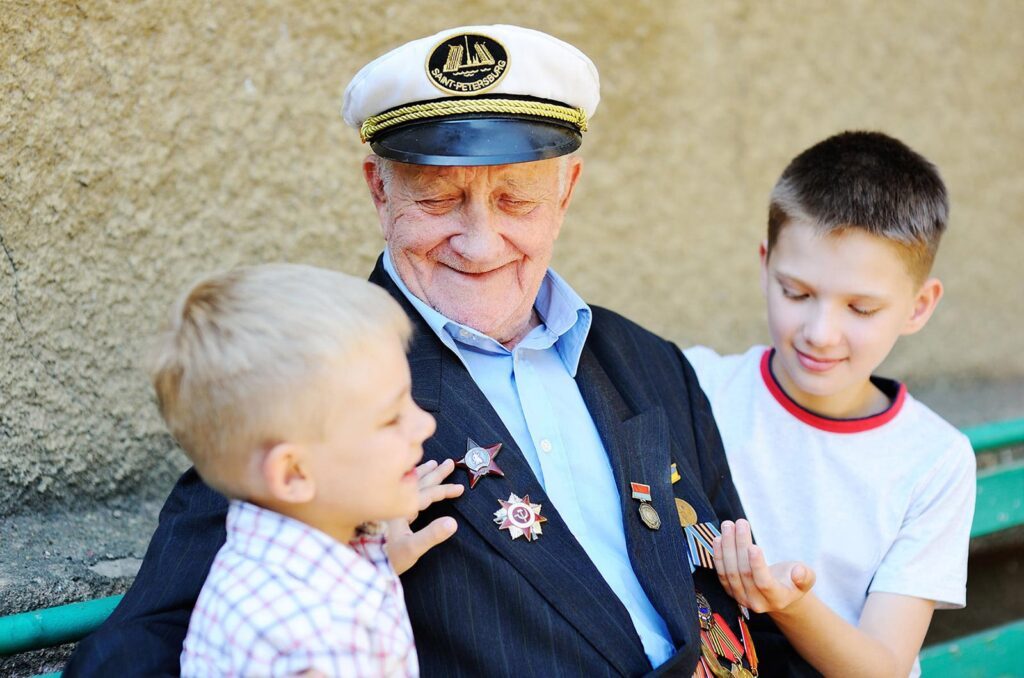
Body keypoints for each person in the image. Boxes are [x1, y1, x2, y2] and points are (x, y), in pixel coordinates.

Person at [67, 25, 813, 677]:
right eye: (437, 197)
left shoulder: (649, 363)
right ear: (378, 190)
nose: (480, 242)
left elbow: (739, 599)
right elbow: (149, 646)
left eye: (516, 198)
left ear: (568, 189)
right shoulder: (311, 378)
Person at [685, 131, 976, 677]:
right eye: (795, 293)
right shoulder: (696, 385)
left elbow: (883, 668)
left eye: (861, 308)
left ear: (919, 306)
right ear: (765, 264)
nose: (820, 333)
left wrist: (789, 603)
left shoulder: (935, 460)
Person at [151, 263, 458, 676]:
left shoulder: (283, 564)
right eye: (390, 418)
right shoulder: (315, 642)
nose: (425, 424)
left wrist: (383, 558)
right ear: (293, 474)